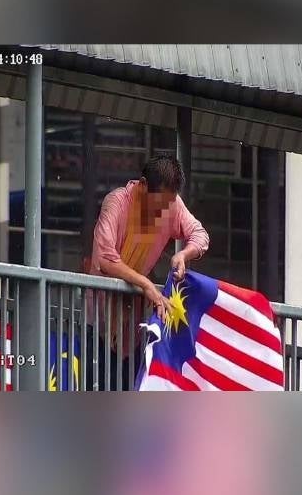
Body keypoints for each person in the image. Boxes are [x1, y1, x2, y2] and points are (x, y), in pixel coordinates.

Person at [85, 155, 210, 389]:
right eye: (159, 203)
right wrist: (146, 284)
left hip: (133, 328)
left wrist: (183, 254)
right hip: (98, 320)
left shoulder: (171, 205)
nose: (163, 211)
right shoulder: (117, 202)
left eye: (168, 204)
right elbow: (105, 258)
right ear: (142, 186)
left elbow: (200, 235)